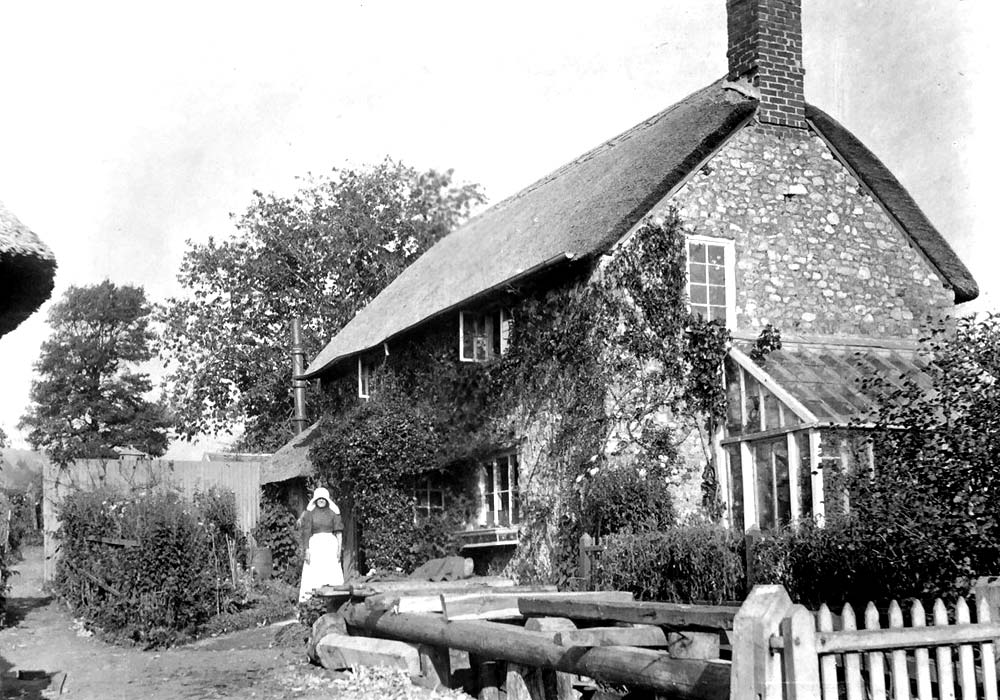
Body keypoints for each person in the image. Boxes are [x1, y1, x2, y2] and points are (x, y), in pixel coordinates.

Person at [298, 486, 344, 602]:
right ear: (315, 500)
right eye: (319, 499)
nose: (321, 501)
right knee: (314, 572)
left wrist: (339, 550)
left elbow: (338, 532)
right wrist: (307, 550)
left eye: (323, 498)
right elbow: (306, 533)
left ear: (327, 499)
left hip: (330, 545)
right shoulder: (310, 514)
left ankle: (334, 600)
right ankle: (311, 601)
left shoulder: (334, 514)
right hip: (315, 546)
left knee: (331, 571)